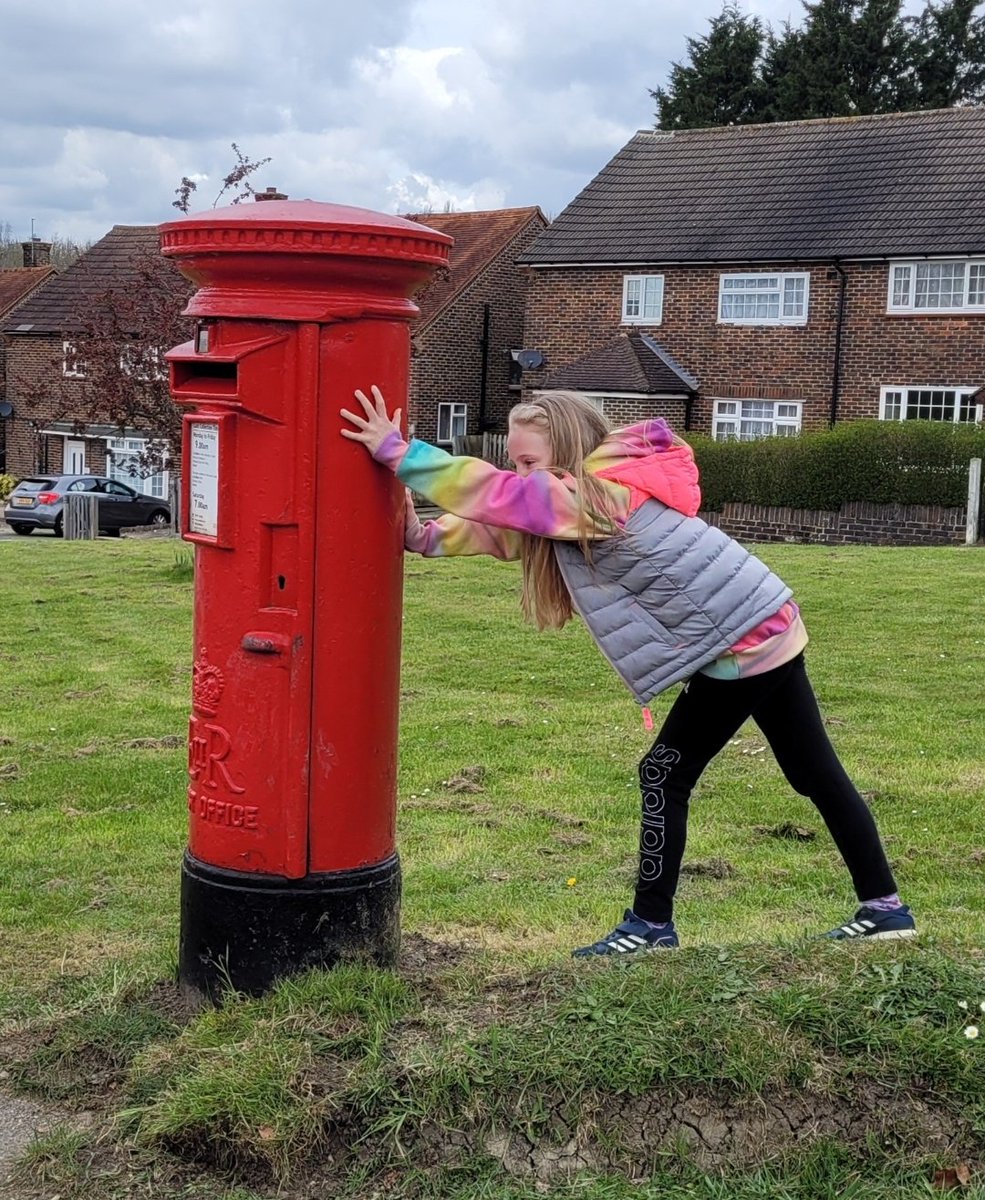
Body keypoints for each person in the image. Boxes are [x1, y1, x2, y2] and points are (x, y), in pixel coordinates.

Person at [340, 386, 916, 956]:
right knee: (813, 772)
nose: (517, 472)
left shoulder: (596, 498)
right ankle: (885, 909)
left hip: (742, 643)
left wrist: (400, 453)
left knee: (665, 773)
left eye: (528, 462)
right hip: (762, 623)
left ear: (564, 451)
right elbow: (509, 527)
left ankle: (650, 926)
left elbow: (503, 499)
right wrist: (425, 536)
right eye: (514, 463)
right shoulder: (588, 496)